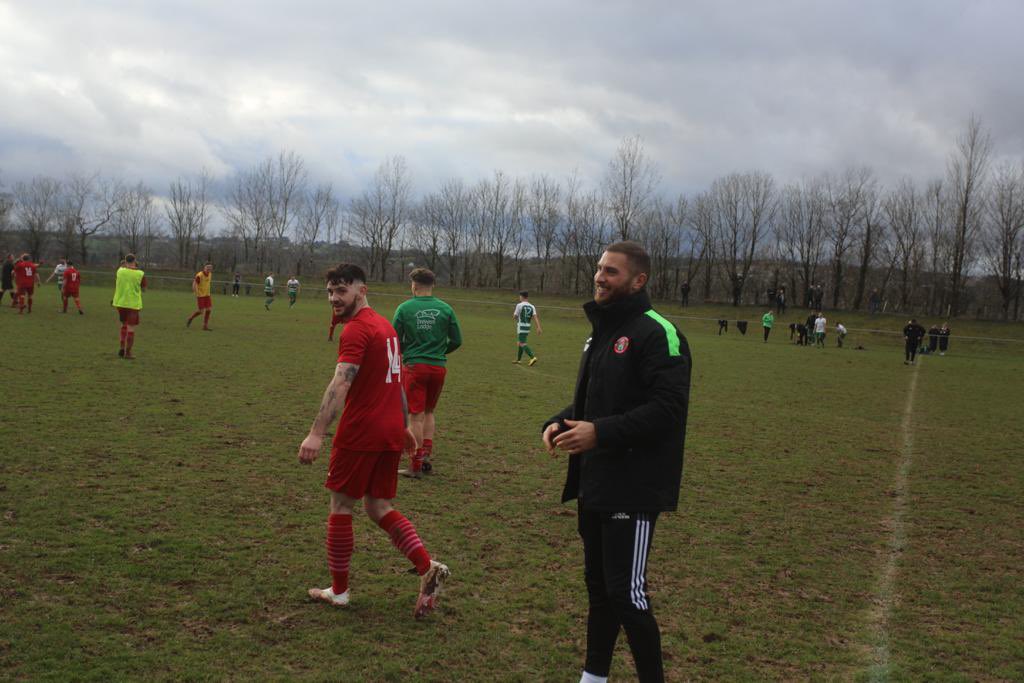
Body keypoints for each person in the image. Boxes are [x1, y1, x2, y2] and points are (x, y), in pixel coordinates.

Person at [542, 241, 691, 683]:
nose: (599, 277)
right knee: (600, 592)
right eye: (599, 268)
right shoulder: (602, 330)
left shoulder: (659, 332)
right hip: (597, 481)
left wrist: (599, 432)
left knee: (628, 596)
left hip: (635, 484)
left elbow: (667, 410)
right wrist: (559, 421)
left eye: (611, 271)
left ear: (638, 280)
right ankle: (594, 677)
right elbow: (594, 400)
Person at [298, 263, 449, 618]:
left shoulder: (357, 330)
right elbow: (394, 380)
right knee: (377, 506)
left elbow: (340, 383)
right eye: (330, 292)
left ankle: (338, 591)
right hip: (386, 433)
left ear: (362, 290)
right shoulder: (385, 326)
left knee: (341, 507)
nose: (335, 298)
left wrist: (317, 432)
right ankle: (428, 567)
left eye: (342, 291)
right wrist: (403, 426)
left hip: (361, 431)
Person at [392, 268, 462, 478]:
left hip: (415, 367)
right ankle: (426, 455)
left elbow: (394, 338)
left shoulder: (404, 309)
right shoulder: (446, 309)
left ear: (414, 285)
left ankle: (415, 464)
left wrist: (410, 351)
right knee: (429, 411)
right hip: (438, 367)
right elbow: (457, 340)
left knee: (415, 416)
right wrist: (440, 352)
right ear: (433, 286)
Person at [112, 254, 147, 359]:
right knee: (131, 328)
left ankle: (122, 347)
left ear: (125, 261)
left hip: (120, 303)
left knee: (123, 325)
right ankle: (128, 353)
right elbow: (144, 289)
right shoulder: (140, 274)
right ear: (135, 261)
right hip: (133, 304)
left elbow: (123, 267)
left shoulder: (120, 271)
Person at [513, 290, 542, 365]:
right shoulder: (532, 306)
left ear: (522, 297)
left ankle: (532, 357)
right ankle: (519, 360)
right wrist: (538, 327)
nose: (519, 297)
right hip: (527, 327)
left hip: (521, 326)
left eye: (520, 296)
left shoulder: (519, 305)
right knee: (519, 342)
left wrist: (515, 317)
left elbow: (515, 316)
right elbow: (535, 317)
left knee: (522, 343)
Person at [187, 263, 214, 331]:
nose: (209, 269)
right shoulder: (200, 275)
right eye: (207, 268)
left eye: (210, 268)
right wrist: (195, 291)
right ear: (204, 268)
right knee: (201, 311)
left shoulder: (210, 274)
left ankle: (205, 326)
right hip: (200, 295)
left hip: (207, 295)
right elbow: (194, 283)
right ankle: (190, 318)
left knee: (209, 310)